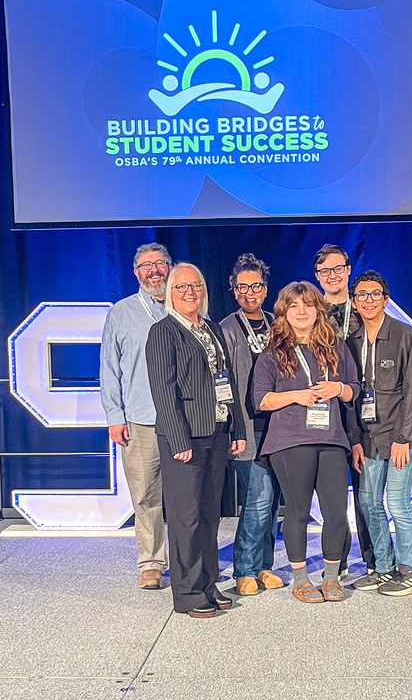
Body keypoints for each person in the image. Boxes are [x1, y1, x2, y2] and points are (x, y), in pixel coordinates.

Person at [146, 263, 247, 618]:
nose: (190, 292)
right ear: (170, 293)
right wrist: (178, 440)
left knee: (208, 516)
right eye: (181, 287)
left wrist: (236, 428)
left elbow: (227, 381)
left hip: (216, 432)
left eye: (196, 286)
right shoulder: (163, 332)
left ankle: (207, 583)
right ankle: (188, 593)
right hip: (185, 438)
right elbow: (163, 391)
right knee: (186, 518)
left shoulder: (212, 328)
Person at [252, 282, 360, 604]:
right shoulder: (273, 352)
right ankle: (301, 580)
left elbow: (354, 388)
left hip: (331, 438)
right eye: (294, 306)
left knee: (336, 512)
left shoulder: (335, 346)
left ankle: (331, 577)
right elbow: (261, 400)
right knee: (298, 511)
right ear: (284, 312)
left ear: (318, 311)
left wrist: (338, 389)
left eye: (308, 305)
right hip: (289, 440)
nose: (302, 311)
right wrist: (297, 396)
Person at [346, 271, 412, 597]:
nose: (368, 300)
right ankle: (384, 568)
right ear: (354, 301)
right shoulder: (351, 342)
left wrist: (402, 438)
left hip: (402, 435)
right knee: (368, 503)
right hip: (369, 437)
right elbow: (352, 398)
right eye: (362, 295)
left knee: (396, 501)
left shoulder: (403, 334)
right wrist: (355, 439)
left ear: (385, 299)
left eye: (374, 294)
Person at [99, 242, 173, 590]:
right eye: (146, 265)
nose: (154, 270)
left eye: (160, 263)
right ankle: (152, 563)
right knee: (145, 496)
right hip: (140, 420)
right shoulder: (121, 312)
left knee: (189, 496)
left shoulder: (187, 306)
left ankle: (192, 561)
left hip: (185, 419)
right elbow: (109, 367)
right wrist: (114, 415)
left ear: (170, 267)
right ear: (136, 272)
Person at [220, 253, 283, 597]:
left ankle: (264, 566)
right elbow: (222, 383)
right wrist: (233, 429)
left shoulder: (279, 325)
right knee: (258, 497)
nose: (249, 293)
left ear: (265, 289)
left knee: (272, 501)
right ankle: (244, 569)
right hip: (246, 427)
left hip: (280, 426)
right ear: (234, 290)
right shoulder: (226, 329)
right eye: (242, 287)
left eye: (255, 286)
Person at [312, 244, 374, 579]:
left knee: (367, 494)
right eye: (325, 271)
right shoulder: (310, 312)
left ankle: (375, 561)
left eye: (338, 268)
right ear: (317, 275)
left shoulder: (365, 306)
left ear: (349, 270)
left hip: (366, 409)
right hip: (326, 413)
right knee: (333, 498)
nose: (332, 275)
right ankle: (339, 558)